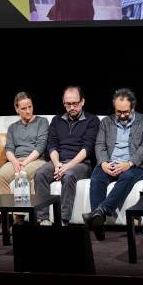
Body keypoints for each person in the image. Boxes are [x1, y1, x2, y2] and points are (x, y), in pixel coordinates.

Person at [83, 88, 143, 241]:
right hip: (110, 163)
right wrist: (103, 163)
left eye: (126, 112)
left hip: (135, 165)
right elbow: (100, 144)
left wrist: (128, 163)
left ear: (133, 107)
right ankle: (99, 223)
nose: (122, 115)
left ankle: (100, 212)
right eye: (118, 112)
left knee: (128, 177)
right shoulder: (106, 122)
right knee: (97, 178)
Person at [34, 86, 99, 225]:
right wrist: (57, 164)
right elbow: (52, 145)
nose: (71, 107)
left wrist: (67, 166)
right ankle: (43, 218)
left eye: (75, 103)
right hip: (60, 161)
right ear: (64, 103)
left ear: (82, 102)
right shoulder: (57, 120)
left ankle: (63, 219)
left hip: (82, 163)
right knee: (40, 174)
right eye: (68, 104)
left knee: (68, 175)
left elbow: (87, 148)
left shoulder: (92, 120)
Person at [0, 92, 49, 235]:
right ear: (17, 109)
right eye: (24, 108)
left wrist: (25, 162)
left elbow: (40, 146)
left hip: (36, 160)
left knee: (21, 175)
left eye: (30, 106)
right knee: (0, 176)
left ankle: (19, 219)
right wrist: (15, 161)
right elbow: (9, 148)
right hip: (16, 160)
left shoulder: (42, 122)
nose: (28, 111)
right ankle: (5, 219)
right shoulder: (13, 127)